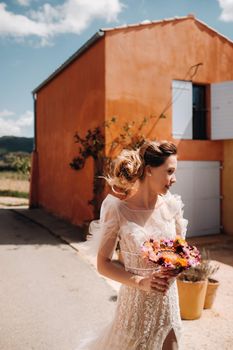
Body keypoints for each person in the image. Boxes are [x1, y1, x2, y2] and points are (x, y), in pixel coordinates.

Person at [78, 140, 188, 350]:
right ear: (148, 170)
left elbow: (180, 251)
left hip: (168, 308)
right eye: (170, 171)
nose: (174, 179)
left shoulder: (172, 206)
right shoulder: (118, 210)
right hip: (134, 311)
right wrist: (141, 282)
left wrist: (178, 265)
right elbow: (103, 264)